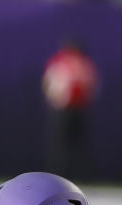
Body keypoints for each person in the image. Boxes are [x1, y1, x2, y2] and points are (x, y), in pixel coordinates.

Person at [42, 41, 99, 181]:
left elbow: (91, 84)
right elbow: (49, 82)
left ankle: (78, 177)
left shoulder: (82, 64)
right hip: (63, 109)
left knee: (76, 145)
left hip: (77, 109)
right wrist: (55, 99)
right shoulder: (60, 63)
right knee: (60, 145)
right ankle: (58, 176)